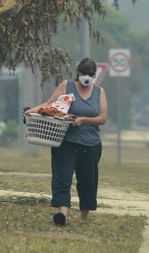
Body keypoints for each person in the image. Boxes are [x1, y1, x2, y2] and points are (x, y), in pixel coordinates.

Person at [25, 58, 107, 226]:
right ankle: (62, 213)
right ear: (78, 73)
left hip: (90, 145)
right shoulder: (67, 86)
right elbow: (50, 105)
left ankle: (84, 217)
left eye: (90, 75)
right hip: (66, 142)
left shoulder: (99, 92)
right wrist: (33, 110)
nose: (86, 78)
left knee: (88, 182)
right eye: (84, 74)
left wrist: (83, 120)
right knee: (62, 177)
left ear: (94, 76)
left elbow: (102, 118)